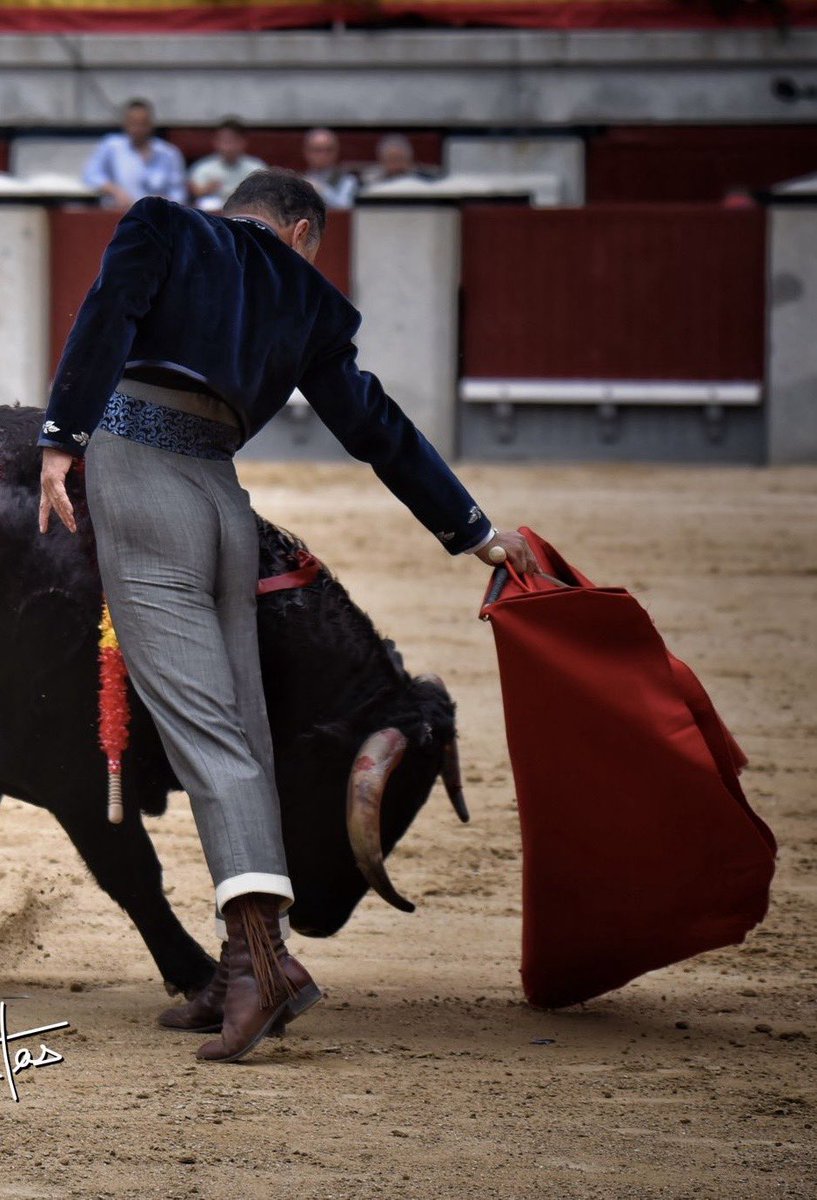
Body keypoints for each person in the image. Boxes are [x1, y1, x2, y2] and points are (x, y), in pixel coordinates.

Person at [37, 168, 537, 1065]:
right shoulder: (311, 299)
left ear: (244, 209)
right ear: (302, 231)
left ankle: (263, 962)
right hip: (226, 504)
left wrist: (59, 440)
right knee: (244, 734)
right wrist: (475, 533)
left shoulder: (162, 226)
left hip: (140, 480)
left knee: (206, 731)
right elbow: (376, 427)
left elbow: (109, 311)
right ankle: (242, 965)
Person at [83, 98, 187, 210]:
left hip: (157, 219)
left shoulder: (169, 153)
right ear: (125, 124)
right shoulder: (112, 146)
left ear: (151, 124)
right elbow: (91, 174)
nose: (138, 128)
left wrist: (163, 201)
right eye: (133, 123)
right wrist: (114, 190)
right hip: (119, 215)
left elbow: (179, 194)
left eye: (143, 123)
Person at [188, 118, 267, 212]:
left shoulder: (256, 167)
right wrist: (206, 189)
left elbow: (265, 195)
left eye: (232, 141)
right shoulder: (203, 167)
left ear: (243, 142)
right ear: (216, 142)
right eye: (224, 141)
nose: (228, 147)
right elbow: (195, 192)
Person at [302, 127, 358, 209]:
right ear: (307, 152)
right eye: (317, 150)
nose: (323, 155)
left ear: (336, 152)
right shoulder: (300, 180)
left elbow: (344, 209)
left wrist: (321, 190)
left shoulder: (347, 181)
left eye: (329, 150)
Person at [365, 133, 439, 185]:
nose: (396, 165)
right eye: (391, 160)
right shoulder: (370, 183)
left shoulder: (425, 181)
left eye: (399, 159)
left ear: (409, 160)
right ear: (382, 161)